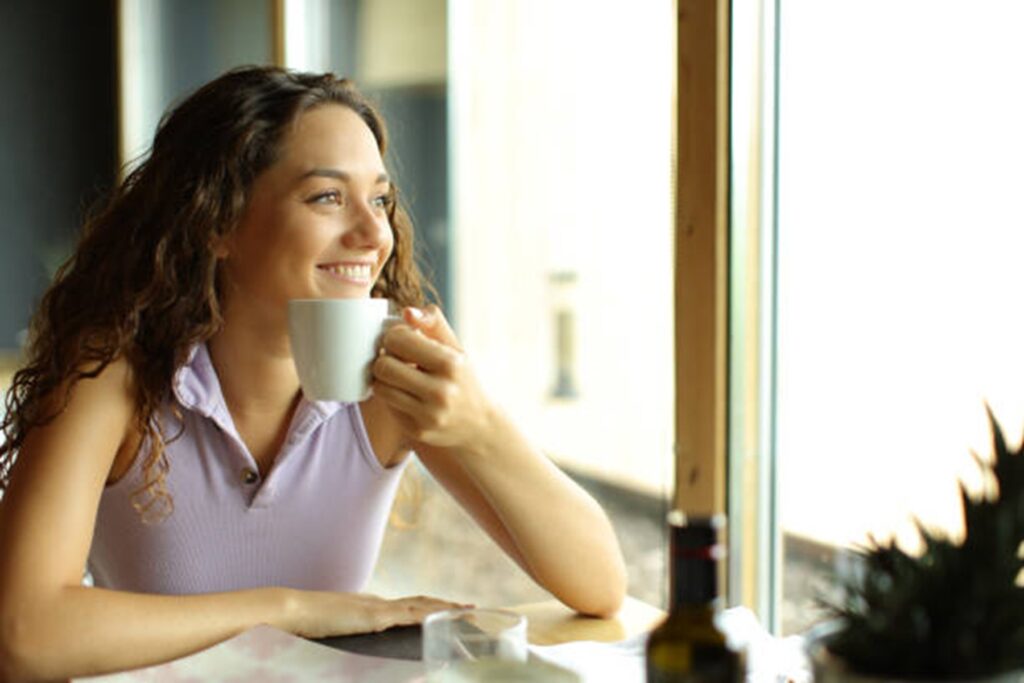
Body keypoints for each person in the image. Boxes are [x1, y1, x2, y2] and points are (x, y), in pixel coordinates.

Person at [0, 66, 626, 681]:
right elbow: (23, 635)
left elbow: (599, 585)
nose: (373, 232)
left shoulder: (392, 379)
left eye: (379, 199)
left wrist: (479, 425)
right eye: (327, 197)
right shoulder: (111, 377)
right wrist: (289, 608)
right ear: (217, 222)